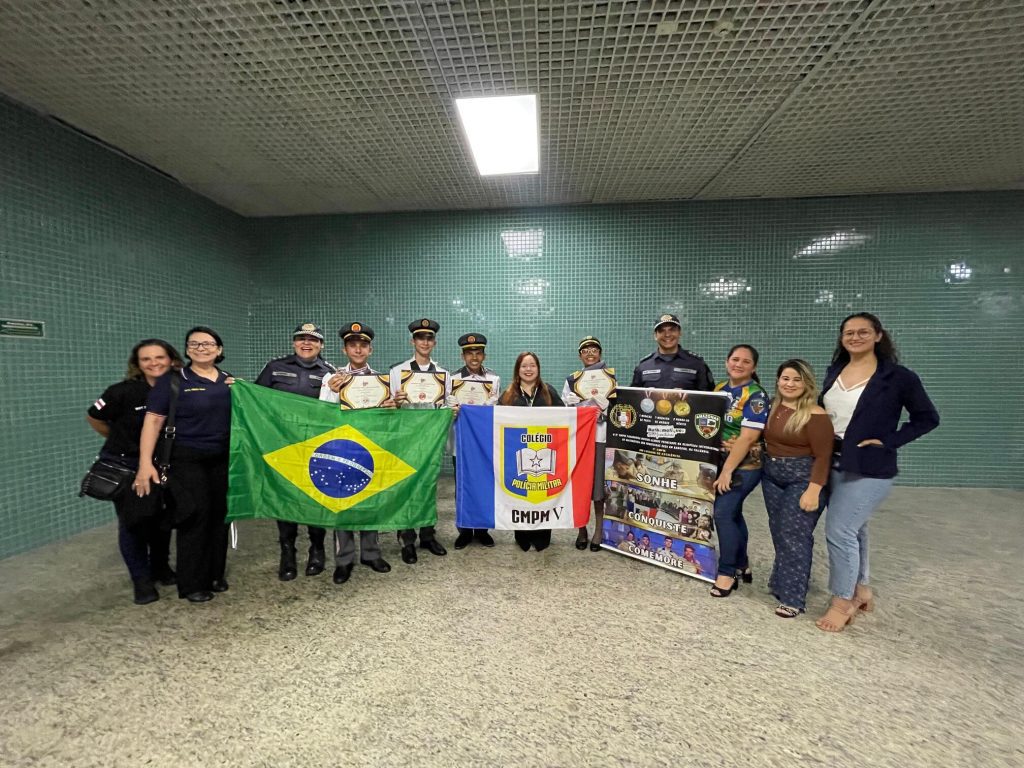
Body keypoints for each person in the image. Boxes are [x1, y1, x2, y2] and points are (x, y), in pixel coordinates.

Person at [816, 313, 939, 632]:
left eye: (862, 332)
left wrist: (889, 442)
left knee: (839, 531)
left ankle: (842, 601)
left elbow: (927, 417)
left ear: (878, 336)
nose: (855, 337)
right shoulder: (836, 371)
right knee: (855, 529)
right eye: (848, 333)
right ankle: (862, 589)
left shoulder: (898, 377)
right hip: (833, 461)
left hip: (870, 467)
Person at [135, 327, 233, 603]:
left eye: (208, 343)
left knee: (220, 515)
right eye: (195, 344)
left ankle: (215, 573)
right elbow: (152, 422)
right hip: (186, 457)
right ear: (188, 350)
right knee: (195, 515)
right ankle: (191, 583)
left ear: (219, 349)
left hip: (222, 457)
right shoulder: (174, 380)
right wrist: (145, 463)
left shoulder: (229, 381)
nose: (201, 348)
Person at [87, 339, 184, 605]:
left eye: (159, 357)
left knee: (162, 519)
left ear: (171, 359)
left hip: (165, 463)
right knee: (134, 523)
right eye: (146, 359)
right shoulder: (122, 392)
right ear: (137, 364)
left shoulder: (179, 388)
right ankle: (141, 580)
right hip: (127, 466)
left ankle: (160, 567)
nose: (154, 363)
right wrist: (118, 438)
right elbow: (94, 417)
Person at [255, 323, 336, 581]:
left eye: (313, 340)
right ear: (294, 343)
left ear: (321, 345)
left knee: (315, 499)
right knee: (285, 500)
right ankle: (287, 553)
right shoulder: (275, 368)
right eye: (301, 339)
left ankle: (317, 549)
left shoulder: (330, 374)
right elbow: (255, 400)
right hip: (282, 447)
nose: (306, 343)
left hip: (316, 449)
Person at [320, 322, 397, 585]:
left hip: (369, 447)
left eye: (363, 345)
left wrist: (390, 406)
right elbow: (322, 413)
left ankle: (371, 553)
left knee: (370, 499)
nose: (358, 349)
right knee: (341, 501)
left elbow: (387, 420)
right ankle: (343, 560)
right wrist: (331, 390)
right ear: (345, 349)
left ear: (370, 349)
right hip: (340, 446)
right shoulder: (330, 378)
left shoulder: (380, 380)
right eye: (353, 345)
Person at [761, 359, 834, 619]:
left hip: (802, 478)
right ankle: (780, 582)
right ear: (778, 381)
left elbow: (824, 456)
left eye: (796, 379)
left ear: (807, 383)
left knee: (795, 535)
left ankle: (793, 598)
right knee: (779, 530)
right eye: (785, 378)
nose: (790, 384)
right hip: (771, 475)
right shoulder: (772, 407)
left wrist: (814, 490)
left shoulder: (816, 414)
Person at [709, 344, 769, 598]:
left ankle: (727, 571)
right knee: (733, 514)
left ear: (753, 367)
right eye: (735, 359)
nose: (739, 364)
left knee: (722, 514)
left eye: (746, 361)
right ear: (726, 362)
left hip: (744, 466)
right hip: (720, 462)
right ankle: (742, 563)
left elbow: (746, 439)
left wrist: (726, 472)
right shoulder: (720, 389)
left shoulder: (756, 396)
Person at [389, 319, 451, 564]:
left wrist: (451, 409)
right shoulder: (398, 372)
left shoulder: (443, 373)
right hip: (406, 437)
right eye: (420, 338)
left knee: (428, 486)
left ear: (434, 343)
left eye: (429, 338)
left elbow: (446, 405)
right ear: (412, 341)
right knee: (406, 486)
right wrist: (396, 400)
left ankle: (427, 534)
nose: (425, 342)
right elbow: (389, 405)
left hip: (431, 438)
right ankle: (406, 538)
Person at [499, 352, 565, 552]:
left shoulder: (548, 391)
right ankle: (522, 535)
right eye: (524, 366)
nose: (528, 369)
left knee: (542, 495)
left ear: (538, 368)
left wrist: (588, 413)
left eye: (532, 365)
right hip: (517, 455)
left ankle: (543, 533)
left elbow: (566, 417)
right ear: (517, 370)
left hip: (545, 454)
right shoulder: (508, 394)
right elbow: (494, 420)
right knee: (520, 495)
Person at [562, 336, 615, 552]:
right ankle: (581, 530)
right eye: (585, 350)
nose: (590, 353)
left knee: (598, 488)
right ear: (580, 355)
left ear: (600, 353)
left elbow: (622, 414)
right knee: (580, 486)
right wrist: (571, 405)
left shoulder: (611, 378)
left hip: (601, 437)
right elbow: (565, 411)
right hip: (579, 440)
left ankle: (599, 530)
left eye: (594, 349)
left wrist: (607, 407)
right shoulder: (572, 380)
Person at [448, 332, 501, 549]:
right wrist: (452, 410)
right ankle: (464, 529)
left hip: (484, 442)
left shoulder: (494, 380)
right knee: (462, 485)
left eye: (478, 352)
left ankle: (482, 529)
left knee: (484, 484)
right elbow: (446, 409)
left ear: (484, 355)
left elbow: (494, 411)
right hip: (460, 442)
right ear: (463, 356)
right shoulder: (452, 380)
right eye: (469, 353)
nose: (474, 357)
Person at [630, 313, 714, 390]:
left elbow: (708, 397)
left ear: (679, 333)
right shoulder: (644, 366)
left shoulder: (696, 364)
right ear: (655, 336)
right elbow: (633, 397)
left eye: (672, 330)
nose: (667, 334)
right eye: (662, 331)